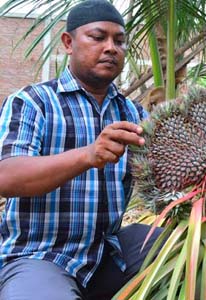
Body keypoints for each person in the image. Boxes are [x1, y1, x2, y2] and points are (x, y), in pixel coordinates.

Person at [0, 1, 162, 299]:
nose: (111, 48)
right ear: (68, 42)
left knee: (194, 246)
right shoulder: (33, 103)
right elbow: (6, 177)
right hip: (40, 257)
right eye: (98, 37)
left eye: (120, 41)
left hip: (107, 254)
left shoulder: (134, 114)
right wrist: (88, 155)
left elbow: (165, 177)